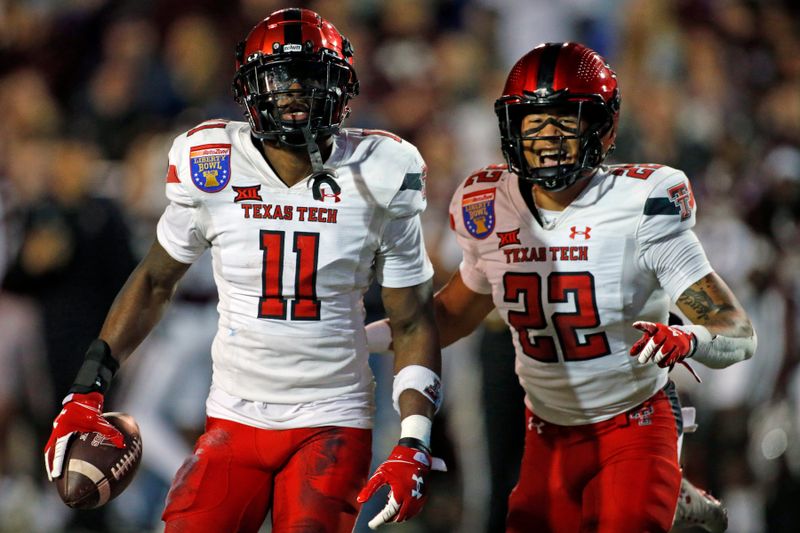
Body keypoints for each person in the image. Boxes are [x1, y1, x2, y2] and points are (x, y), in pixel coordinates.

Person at [42, 9, 444, 533]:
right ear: (250, 89)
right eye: (280, 78)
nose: (295, 93)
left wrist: (413, 441)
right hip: (234, 418)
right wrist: (86, 389)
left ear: (341, 88)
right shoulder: (213, 160)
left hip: (332, 419)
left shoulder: (382, 170)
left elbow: (412, 319)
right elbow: (155, 279)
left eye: (310, 79)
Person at [367, 42, 755, 532]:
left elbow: (737, 330)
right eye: (533, 121)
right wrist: (357, 338)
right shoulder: (489, 204)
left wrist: (689, 339)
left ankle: (664, 484)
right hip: (546, 431)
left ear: (603, 127)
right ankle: (672, 495)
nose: (547, 137)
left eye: (564, 121)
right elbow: (447, 316)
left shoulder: (642, 205)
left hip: (632, 422)